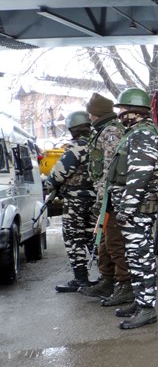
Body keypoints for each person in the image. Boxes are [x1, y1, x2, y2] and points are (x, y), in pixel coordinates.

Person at [106, 88, 158, 329]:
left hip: (137, 209)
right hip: (135, 209)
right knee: (134, 256)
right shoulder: (135, 133)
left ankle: (147, 309)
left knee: (141, 257)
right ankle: (140, 302)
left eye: (122, 109)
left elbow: (139, 176)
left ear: (134, 111)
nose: (120, 114)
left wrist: (127, 209)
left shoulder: (143, 135)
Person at [79, 93, 132, 306]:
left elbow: (111, 170)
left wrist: (105, 199)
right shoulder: (103, 130)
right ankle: (107, 280)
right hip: (106, 198)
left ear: (97, 113)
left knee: (115, 242)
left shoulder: (111, 132)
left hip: (112, 198)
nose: (89, 117)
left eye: (91, 113)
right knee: (104, 241)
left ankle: (125, 285)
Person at [47, 111, 96, 292]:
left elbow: (57, 175)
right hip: (95, 200)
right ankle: (108, 278)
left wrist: (49, 185)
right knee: (93, 238)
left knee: (74, 238)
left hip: (76, 201)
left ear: (72, 129)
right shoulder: (97, 145)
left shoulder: (76, 147)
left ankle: (81, 280)